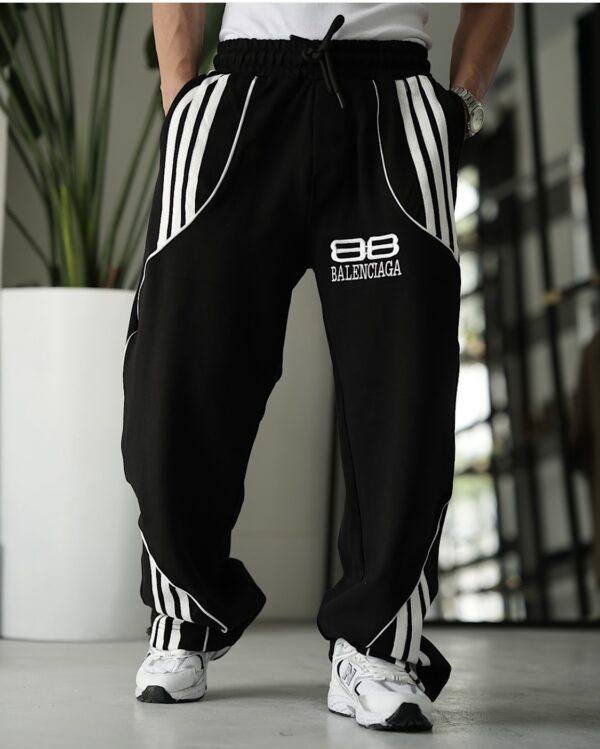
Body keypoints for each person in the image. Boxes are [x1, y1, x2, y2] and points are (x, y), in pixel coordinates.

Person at [122, 1, 513, 731]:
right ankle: (183, 617)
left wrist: (458, 106)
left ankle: (375, 645)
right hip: (240, 93)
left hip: (393, 100)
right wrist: (183, 104)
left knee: (405, 381)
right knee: (179, 366)